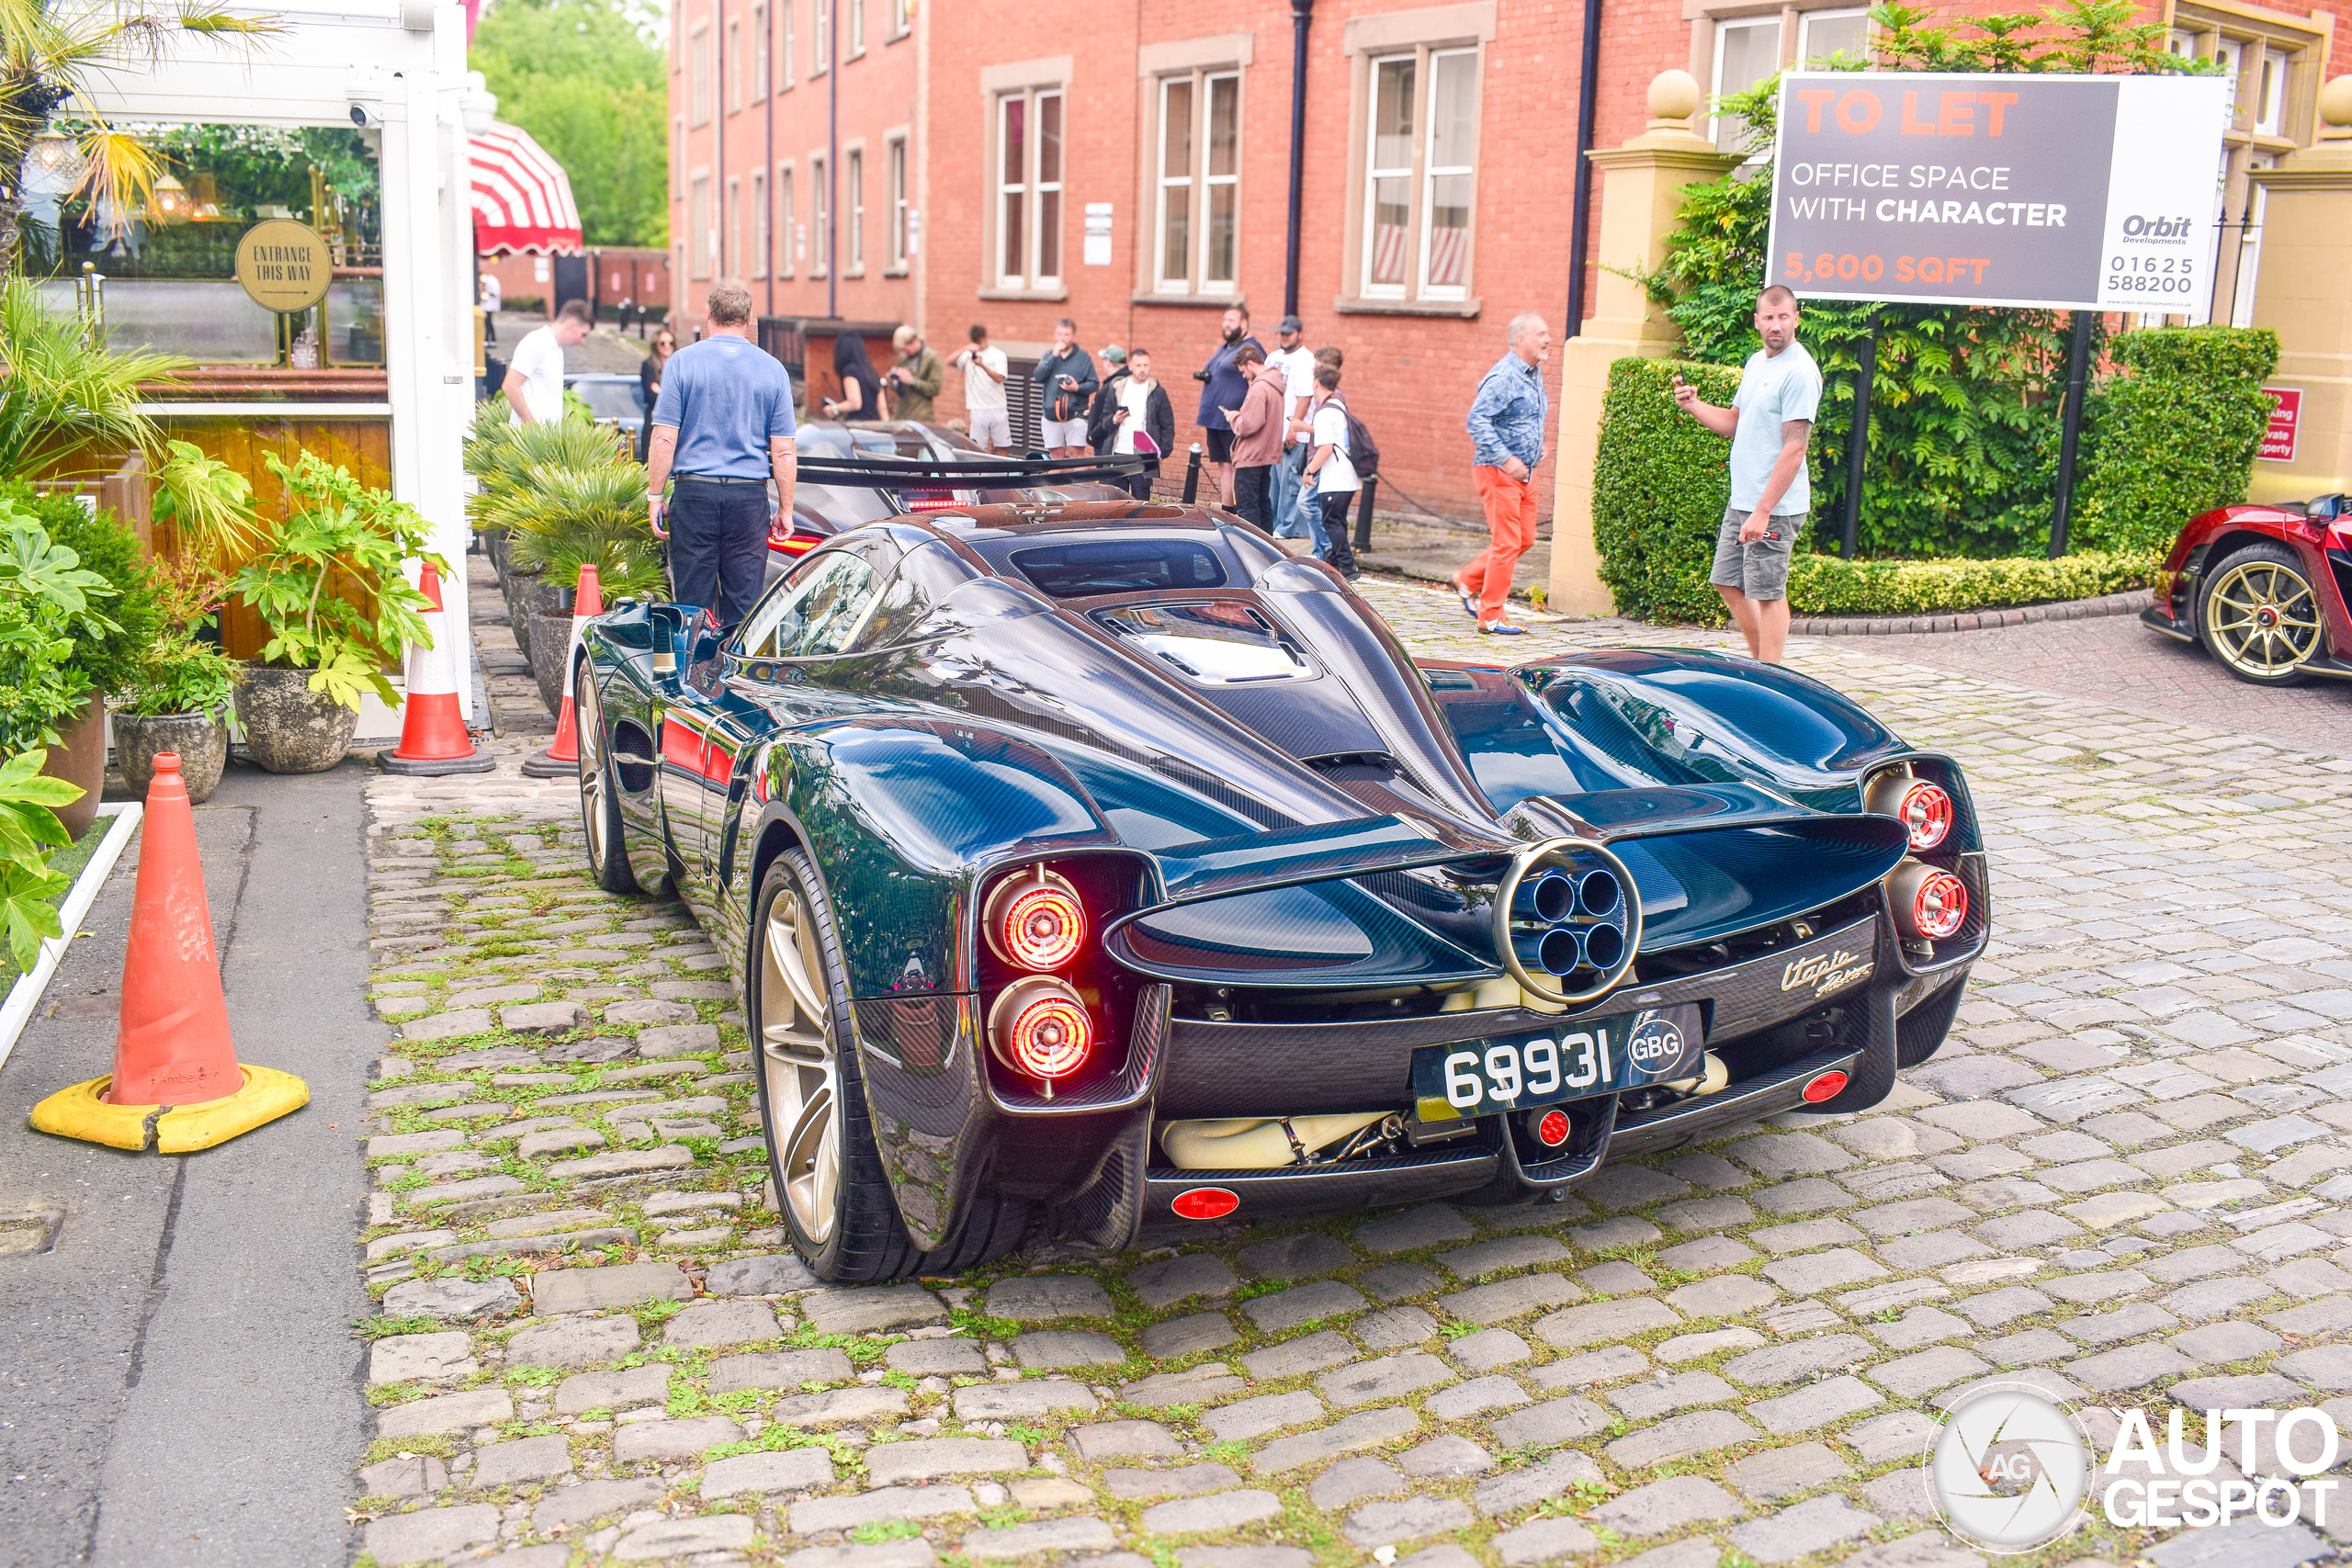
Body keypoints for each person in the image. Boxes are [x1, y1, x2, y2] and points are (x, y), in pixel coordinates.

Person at [1672, 285, 1819, 664]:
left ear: (1796, 318)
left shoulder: (1800, 372)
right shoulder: (1757, 362)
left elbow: (1795, 446)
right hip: (1745, 499)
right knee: (1726, 579)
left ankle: (1772, 677)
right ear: (1757, 321)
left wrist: (1763, 510)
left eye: (1783, 316)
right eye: (1768, 317)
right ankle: (1759, 661)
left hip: (1774, 506)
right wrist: (1694, 405)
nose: (1776, 325)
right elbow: (1734, 423)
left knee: (1768, 592)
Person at [645, 278, 797, 628]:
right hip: (747, 501)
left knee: (689, 605)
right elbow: (784, 451)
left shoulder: (682, 364)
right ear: (749, 319)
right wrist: (785, 508)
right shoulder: (773, 370)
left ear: (708, 316)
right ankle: (733, 678)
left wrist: (656, 496)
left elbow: (664, 439)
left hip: (696, 495)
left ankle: (688, 676)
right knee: (743, 607)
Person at [1457, 311, 1553, 637]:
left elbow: (1525, 419)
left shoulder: (1533, 373)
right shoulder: (1504, 376)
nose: (1548, 339)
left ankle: (1468, 579)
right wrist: (1507, 459)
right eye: (1541, 333)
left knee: (1525, 538)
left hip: (1527, 473)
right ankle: (1492, 614)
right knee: (1507, 542)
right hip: (1498, 471)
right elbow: (1477, 421)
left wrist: (1535, 449)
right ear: (1521, 339)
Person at [1193, 304, 1262, 506]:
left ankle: (1239, 513)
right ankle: (1227, 509)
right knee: (1224, 465)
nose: (1226, 324)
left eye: (1231, 320)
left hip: (1233, 420)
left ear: (1244, 323)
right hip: (1215, 418)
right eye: (1224, 320)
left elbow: (1257, 380)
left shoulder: (1251, 348)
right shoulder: (1226, 347)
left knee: (1234, 466)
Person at [1223, 342, 1287, 533]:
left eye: (1243, 371)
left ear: (1251, 364)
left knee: (1247, 506)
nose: (1244, 376)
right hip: (1267, 453)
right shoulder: (1276, 384)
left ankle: (1251, 551)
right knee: (1263, 503)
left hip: (1251, 455)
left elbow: (1248, 425)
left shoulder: (1259, 388)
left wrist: (1233, 416)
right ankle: (1268, 548)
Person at [1304, 363, 1360, 579]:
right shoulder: (1339, 406)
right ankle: (1333, 559)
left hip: (1335, 477)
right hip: (1349, 475)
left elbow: (1325, 448)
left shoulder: (1323, 413)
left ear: (1316, 383)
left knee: (1331, 521)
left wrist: (1309, 470)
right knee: (1338, 520)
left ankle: (1347, 565)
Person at [1094, 346, 1172, 501]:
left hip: (1142, 455)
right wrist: (1114, 420)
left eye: (1146, 365)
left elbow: (1167, 425)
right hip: (1116, 454)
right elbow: (1104, 419)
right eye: (1138, 365)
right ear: (1130, 366)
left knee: (1141, 503)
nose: (1142, 369)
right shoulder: (1117, 388)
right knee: (1111, 502)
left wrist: (1162, 452)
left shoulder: (1157, 391)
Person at [502, 299, 592, 424]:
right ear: (571, 324)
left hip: (545, 438)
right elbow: (510, 385)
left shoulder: (556, 349)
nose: (583, 341)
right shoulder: (536, 342)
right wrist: (532, 425)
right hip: (530, 440)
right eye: (583, 334)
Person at [1266, 314, 1316, 540]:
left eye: (1289, 334)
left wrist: (1294, 428)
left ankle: (1289, 528)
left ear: (1300, 334)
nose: (1284, 337)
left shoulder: (1306, 360)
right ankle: (1275, 525)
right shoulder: (1273, 357)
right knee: (1274, 482)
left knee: (1291, 482)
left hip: (1293, 434)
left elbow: (1305, 397)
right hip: (1273, 433)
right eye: (1282, 333)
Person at [1034, 319, 1098, 458]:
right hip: (1051, 417)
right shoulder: (1049, 355)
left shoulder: (1083, 358)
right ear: (1055, 335)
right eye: (1060, 334)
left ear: (1074, 337)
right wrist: (1054, 356)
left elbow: (1094, 384)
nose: (1063, 338)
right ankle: (1057, 482)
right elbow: (1038, 376)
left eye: (1066, 334)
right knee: (1055, 457)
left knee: (1076, 455)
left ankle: (1079, 482)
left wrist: (1077, 388)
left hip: (1075, 417)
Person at [956, 324, 1011, 452]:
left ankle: (1003, 472)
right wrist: (965, 349)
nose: (978, 345)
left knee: (1002, 445)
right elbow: (949, 361)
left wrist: (982, 365)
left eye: (979, 342)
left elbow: (999, 378)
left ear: (985, 338)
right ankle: (982, 472)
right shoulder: (967, 355)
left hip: (997, 407)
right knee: (979, 447)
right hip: (977, 408)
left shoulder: (998, 354)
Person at [823, 333, 888, 421]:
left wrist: (832, 408)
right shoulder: (872, 372)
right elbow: (882, 407)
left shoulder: (850, 371)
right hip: (874, 426)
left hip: (858, 427)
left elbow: (855, 403)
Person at [888, 324, 944, 424]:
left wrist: (912, 381)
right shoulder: (904, 358)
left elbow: (935, 388)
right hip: (901, 416)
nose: (905, 352)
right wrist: (894, 380)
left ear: (914, 341)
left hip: (920, 418)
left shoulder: (931, 358)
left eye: (906, 349)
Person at [636, 326, 675, 461]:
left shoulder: (679, 364)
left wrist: (661, 390)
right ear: (656, 345)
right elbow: (650, 395)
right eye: (662, 343)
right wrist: (670, 393)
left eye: (670, 343)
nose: (667, 346)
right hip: (654, 416)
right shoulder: (649, 365)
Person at [1086, 344, 1130, 457]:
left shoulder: (1113, 386)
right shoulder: (1128, 382)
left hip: (1106, 444)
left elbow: (1110, 416)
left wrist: (1094, 435)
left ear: (1108, 362)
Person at [478, 272, 501, 344]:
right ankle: (490, 339)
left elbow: (496, 292)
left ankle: (490, 339)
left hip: (489, 306)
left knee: (488, 323)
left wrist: (487, 294)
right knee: (488, 323)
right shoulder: (488, 282)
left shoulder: (491, 281)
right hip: (487, 306)